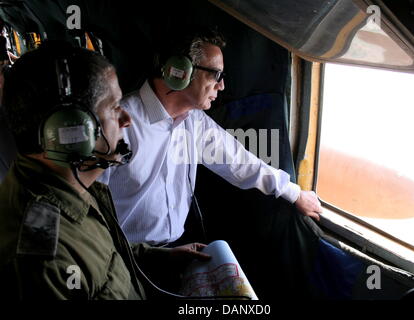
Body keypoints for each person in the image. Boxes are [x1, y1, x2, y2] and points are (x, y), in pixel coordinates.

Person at [0, 41, 210, 300]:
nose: (127, 119)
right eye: (113, 108)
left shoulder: (71, 186)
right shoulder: (44, 258)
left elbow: (98, 252)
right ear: (69, 132)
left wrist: (160, 257)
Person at [99, 28, 323, 246]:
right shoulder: (119, 123)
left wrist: (294, 193)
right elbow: (90, 201)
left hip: (175, 249)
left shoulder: (194, 122)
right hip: (124, 255)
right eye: (216, 74)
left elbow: (238, 162)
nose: (222, 85)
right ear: (180, 71)